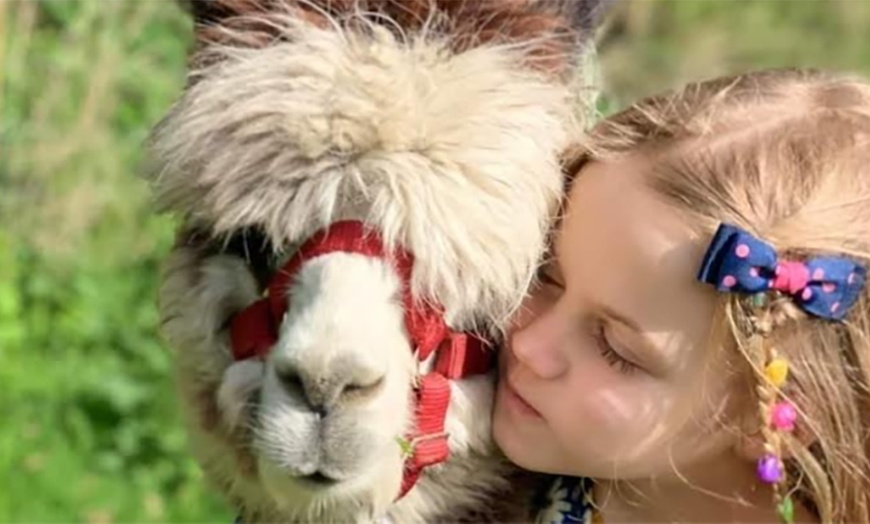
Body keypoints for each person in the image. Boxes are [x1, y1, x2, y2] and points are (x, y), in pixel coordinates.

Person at [491, 68, 870, 523]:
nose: (529, 346)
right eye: (547, 277)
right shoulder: (491, 479)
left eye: (615, 350)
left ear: (774, 415)